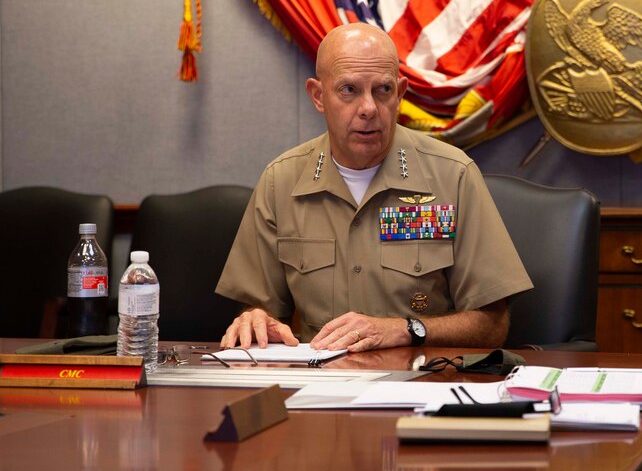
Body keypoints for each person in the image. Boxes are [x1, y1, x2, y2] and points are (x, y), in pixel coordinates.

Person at [216, 23, 533, 352]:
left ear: (400, 94)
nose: (368, 108)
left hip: (424, 383)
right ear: (318, 97)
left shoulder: (454, 176)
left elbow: (493, 325)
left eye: (382, 90)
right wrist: (254, 319)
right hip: (322, 387)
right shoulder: (281, 181)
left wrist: (407, 329)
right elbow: (260, 308)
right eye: (349, 90)